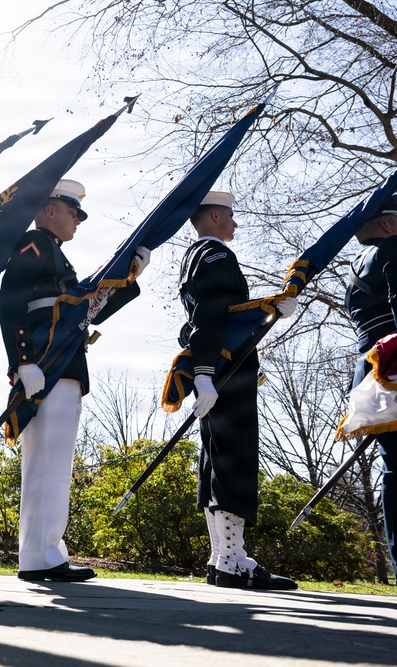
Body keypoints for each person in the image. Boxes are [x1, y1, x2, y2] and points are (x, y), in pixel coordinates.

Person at [0, 179, 146, 582]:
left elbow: (84, 313)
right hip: (46, 364)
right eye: (72, 212)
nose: (77, 221)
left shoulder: (57, 256)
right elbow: (11, 301)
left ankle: (44, 552)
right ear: (49, 210)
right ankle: (40, 555)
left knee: (55, 465)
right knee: (46, 463)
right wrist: (22, 361)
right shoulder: (35, 244)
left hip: (62, 364)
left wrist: (126, 277)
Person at [180, 191, 297, 590]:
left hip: (216, 370)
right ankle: (232, 561)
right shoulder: (217, 256)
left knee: (217, 462)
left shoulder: (194, 257)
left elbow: (220, 315)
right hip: (227, 371)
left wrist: (268, 308)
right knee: (236, 459)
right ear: (213, 216)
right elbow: (211, 317)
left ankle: (222, 558)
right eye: (230, 215)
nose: (234, 222)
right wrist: (207, 373)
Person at [343, 194, 397, 577]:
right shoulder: (393, 249)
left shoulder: (356, 267)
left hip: (373, 375)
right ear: (386, 225)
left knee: (395, 468)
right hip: (392, 369)